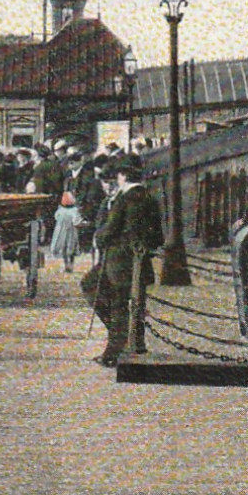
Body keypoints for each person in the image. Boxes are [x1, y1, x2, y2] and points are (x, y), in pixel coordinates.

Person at [89, 157, 163, 366]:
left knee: (112, 301)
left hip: (119, 261)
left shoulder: (124, 198)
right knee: (135, 303)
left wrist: (98, 238)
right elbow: (158, 237)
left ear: (122, 176)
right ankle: (136, 341)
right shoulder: (150, 197)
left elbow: (110, 229)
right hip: (139, 260)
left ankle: (113, 350)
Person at [50, 191, 83, 274]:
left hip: (61, 232)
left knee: (64, 249)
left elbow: (56, 217)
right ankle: (70, 265)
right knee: (71, 249)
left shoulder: (60, 210)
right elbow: (76, 222)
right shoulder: (74, 210)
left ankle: (66, 265)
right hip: (71, 232)